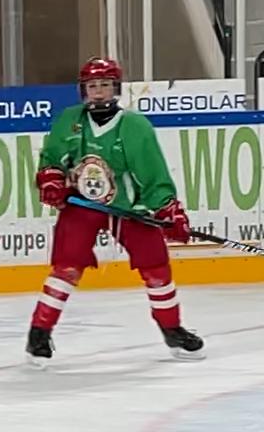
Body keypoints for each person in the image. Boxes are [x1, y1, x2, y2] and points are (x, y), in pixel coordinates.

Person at [28, 56, 202, 366]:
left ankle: (172, 328)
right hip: (82, 205)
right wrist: (52, 179)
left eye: (105, 85)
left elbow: (153, 173)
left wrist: (168, 209)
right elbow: (52, 158)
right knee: (66, 266)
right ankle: (39, 333)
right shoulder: (70, 119)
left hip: (127, 207)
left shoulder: (135, 126)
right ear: (84, 90)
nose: (98, 92)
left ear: (116, 89)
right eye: (92, 86)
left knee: (156, 266)